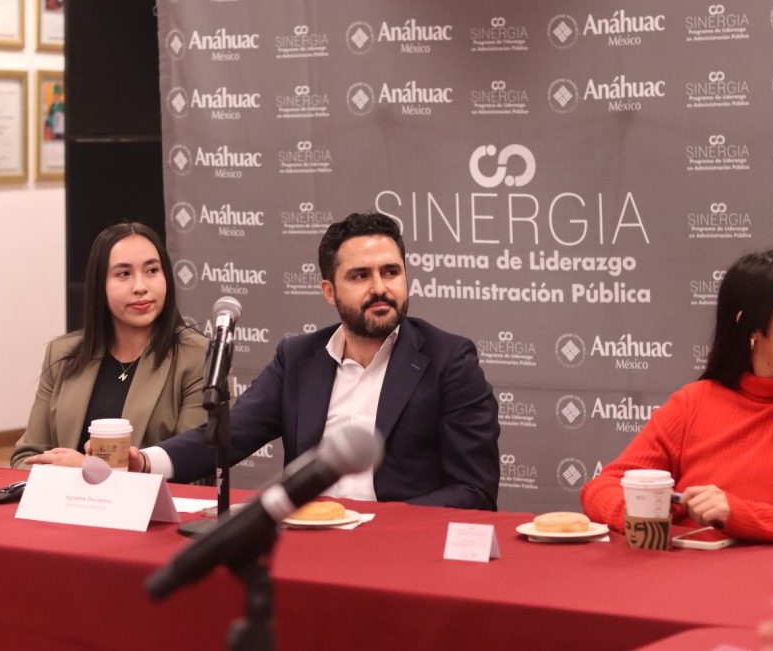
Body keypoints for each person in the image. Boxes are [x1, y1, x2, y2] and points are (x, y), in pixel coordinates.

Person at [131, 212, 501, 508]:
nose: (380, 288)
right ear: (329, 291)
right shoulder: (297, 358)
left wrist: (376, 524)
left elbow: (473, 490)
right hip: (307, 543)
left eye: (391, 272)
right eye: (360, 276)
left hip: (400, 552)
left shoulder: (448, 359)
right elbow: (229, 434)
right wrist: (145, 463)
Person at [581, 249, 773, 542]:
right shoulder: (694, 403)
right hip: (687, 579)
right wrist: (649, 511)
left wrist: (738, 514)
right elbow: (602, 488)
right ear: (750, 323)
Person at [10, 222, 209, 468]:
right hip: (66, 503)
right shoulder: (62, 354)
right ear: (99, 285)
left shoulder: (197, 356)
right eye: (124, 274)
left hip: (152, 504)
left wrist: (88, 470)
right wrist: (71, 478)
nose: (141, 287)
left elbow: (196, 464)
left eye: (152, 271)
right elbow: (25, 457)